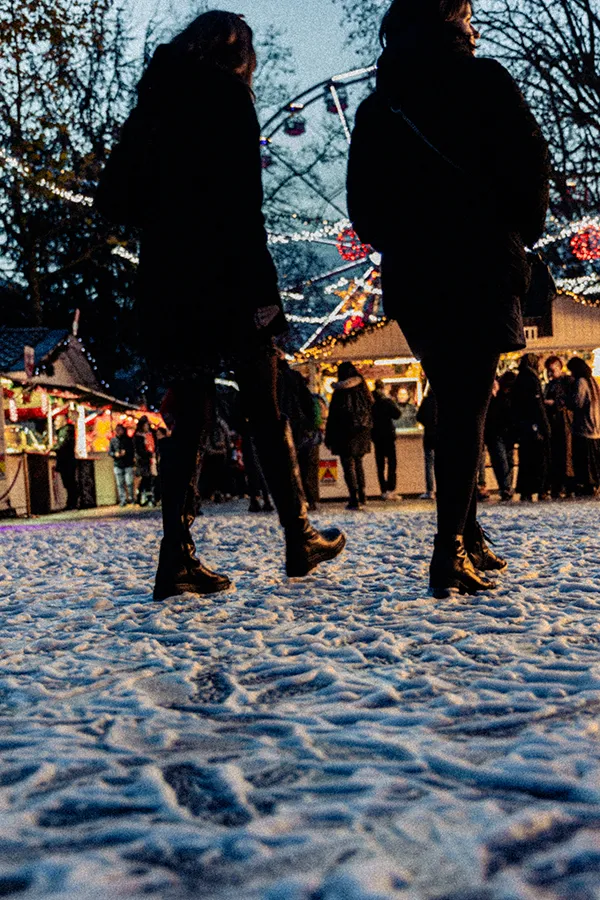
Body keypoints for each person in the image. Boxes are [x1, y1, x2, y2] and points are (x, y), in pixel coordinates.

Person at [103, 12, 344, 598]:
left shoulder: (151, 109)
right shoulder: (228, 101)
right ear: (237, 54)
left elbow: (113, 199)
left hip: (169, 286)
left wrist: (165, 223)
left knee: (190, 417)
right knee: (264, 406)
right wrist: (265, 297)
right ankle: (297, 534)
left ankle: (176, 554)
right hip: (228, 282)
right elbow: (243, 210)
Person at [347, 0, 549, 596]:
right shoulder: (485, 83)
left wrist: (407, 235)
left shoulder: (380, 107)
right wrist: (515, 229)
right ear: (452, 24)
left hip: (416, 274)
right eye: (467, 15)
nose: (475, 25)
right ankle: (448, 552)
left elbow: (364, 208)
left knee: (457, 395)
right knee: (467, 403)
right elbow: (531, 165)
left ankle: (468, 530)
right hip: (480, 263)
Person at [325, 362, 373, 510]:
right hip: (361, 432)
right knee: (358, 464)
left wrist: (329, 437)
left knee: (348, 465)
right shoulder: (363, 389)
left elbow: (333, 417)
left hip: (344, 432)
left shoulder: (339, 392)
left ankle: (354, 497)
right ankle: (363, 495)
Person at [512, 354, 551, 502]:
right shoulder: (532, 379)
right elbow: (537, 406)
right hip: (533, 426)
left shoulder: (520, 378)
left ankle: (525, 490)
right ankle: (539, 488)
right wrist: (545, 426)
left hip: (524, 426)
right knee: (538, 458)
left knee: (526, 458)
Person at [566, 357, 600, 496]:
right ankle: (595, 483)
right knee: (594, 459)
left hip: (584, 427)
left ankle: (587, 484)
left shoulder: (581, 382)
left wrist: (566, 400)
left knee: (584, 459)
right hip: (596, 427)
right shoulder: (593, 382)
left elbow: (577, 403)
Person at [544, 356, 574, 498]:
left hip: (563, 421)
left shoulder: (566, 382)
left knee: (566, 452)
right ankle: (559, 484)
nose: (550, 374)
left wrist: (554, 403)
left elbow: (569, 400)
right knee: (557, 454)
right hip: (555, 422)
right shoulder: (551, 384)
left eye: (551, 370)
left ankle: (567, 484)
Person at [484, 377, 514, 501]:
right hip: (495, 434)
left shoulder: (503, 398)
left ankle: (506, 487)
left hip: (504, 433)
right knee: (501, 461)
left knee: (506, 460)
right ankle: (505, 487)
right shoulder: (488, 401)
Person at [372, 379, 401, 499]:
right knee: (392, 463)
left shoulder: (371, 402)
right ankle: (391, 489)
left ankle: (383, 490)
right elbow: (397, 414)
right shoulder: (387, 401)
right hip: (388, 435)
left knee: (380, 465)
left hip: (377, 436)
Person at [54, 415, 78, 510]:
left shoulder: (65, 431)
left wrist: (52, 448)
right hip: (68, 461)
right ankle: (71, 502)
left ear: (63, 421)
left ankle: (72, 503)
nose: (55, 423)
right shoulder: (66, 431)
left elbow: (62, 445)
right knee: (69, 483)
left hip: (66, 461)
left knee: (69, 483)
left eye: (57, 420)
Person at [417, 387, 437, 499]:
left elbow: (419, 416)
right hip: (442, 436)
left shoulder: (426, 401)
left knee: (429, 464)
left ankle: (430, 491)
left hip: (429, 436)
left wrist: (428, 424)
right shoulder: (444, 400)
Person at [109, 424, 135, 506]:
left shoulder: (128, 440)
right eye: (117, 430)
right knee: (120, 484)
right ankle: (123, 500)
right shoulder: (113, 440)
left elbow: (132, 451)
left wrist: (126, 452)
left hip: (127, 464)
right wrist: (114, 454)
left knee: (129, 482)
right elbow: (110, 451)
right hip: (118, 464)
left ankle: (131, 498)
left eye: (120, 430)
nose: (118, 432)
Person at [133, 416, 156, 506]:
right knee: (145, 478)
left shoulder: (151, 434)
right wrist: (149, 454)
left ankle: (148, 497)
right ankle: (142, 497)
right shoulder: (138, 437)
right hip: (144, 461)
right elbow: (139, 450)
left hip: (152, 459)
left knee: (151, 479)